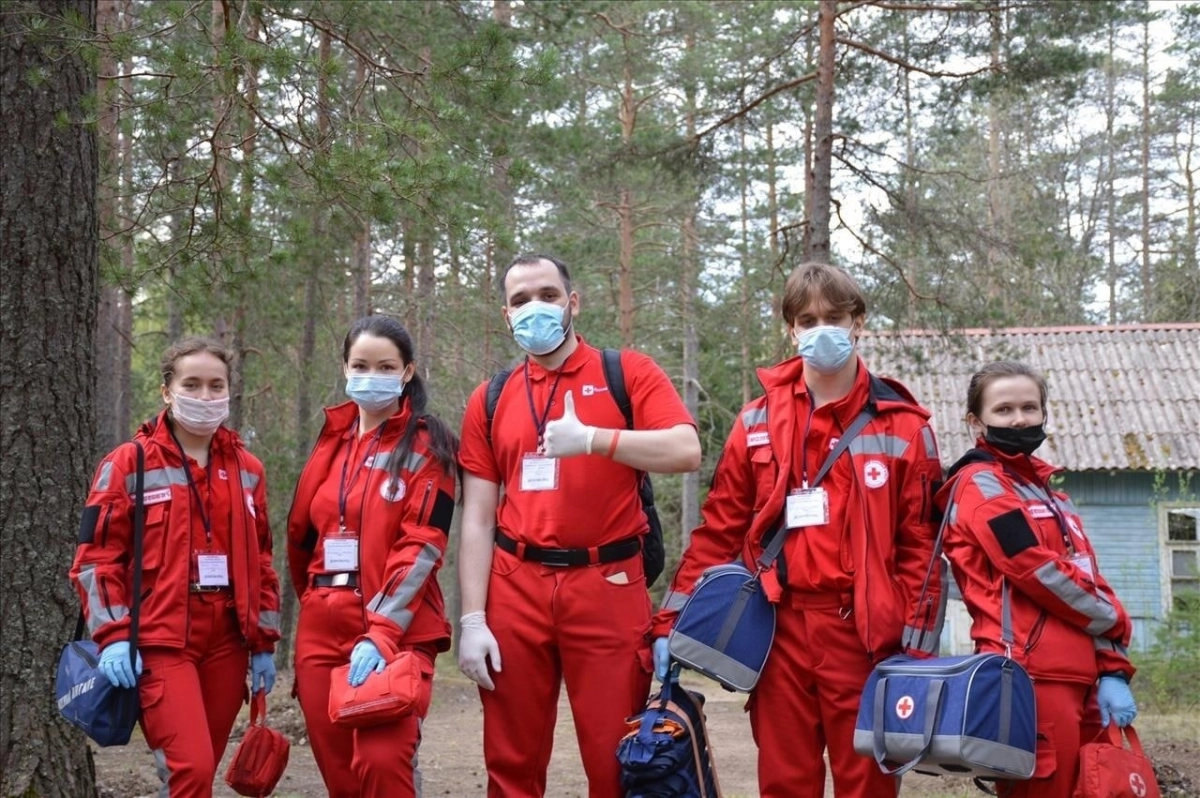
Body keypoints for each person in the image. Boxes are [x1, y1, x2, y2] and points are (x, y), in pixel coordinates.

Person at [650, 262, 944, 798]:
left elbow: (922, 550)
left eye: (834, 316)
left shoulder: (904, 426)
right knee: (785, 783)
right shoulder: (755, 422)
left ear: (858, 322)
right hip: (776, 632)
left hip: (865, 637)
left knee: (869, 786)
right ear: (791, 328)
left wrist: (915, 653)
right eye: (807, 319)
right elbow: (719, 531)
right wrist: (671, 620)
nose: (821, 328)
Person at [456, 253, 701, 797]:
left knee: (617, 762)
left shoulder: (626, 372)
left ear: (573, 302)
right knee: (510, 763)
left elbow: (687, 449)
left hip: (608, 583)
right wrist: (472, 619)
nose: (534, 308)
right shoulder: (489, 398)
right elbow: (475, 517)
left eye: (547, 295)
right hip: (514, 586)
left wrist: (595, 439)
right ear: (505, 314)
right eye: (520, 300)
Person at [70, 337, 281, 798]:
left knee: (195, 772)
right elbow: (95, 558)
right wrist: (112, 636)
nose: (205, 397)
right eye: (192, 384)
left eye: (215, 385)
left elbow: (262, 561)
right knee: (192, 768)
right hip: (161, 641)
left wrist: (264, 640)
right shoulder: (129, 464)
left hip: (228, 642)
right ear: (167, 390)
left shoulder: (248, 469)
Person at [934, 360, 1137, 798]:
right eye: (1004, 409)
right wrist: (1115, 620)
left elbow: (1087, 577)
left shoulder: (1053, 497)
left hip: (1082, 678)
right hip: (1029, 676)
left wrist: (1112, 668)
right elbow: (1037, 570)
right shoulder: (980, 487)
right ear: (976, 420)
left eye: (1030, 407)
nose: (1019, 418)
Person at [287, 315, 457, 798]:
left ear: (407, 372)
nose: (371, 374)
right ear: (344, 367)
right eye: (360, 364)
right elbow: (303, 538)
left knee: (382, 766)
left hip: (395, 632)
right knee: (341, 777)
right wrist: (314, 605)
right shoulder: (332, 442)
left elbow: (423, 545)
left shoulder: (429, 446)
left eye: (386, 366)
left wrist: (381, 632)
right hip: (320, 629)